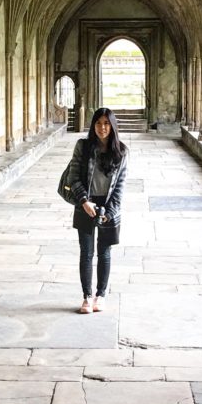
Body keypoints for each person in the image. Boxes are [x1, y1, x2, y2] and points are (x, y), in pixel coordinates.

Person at [67, 107, 129, 313]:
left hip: (108, 207)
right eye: (98, 123)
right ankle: (86, 296)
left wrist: (108, 213)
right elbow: (73, 177)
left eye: (106, 124)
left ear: (112, 126)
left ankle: (100, 296)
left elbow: (119, 187)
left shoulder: (121, 151)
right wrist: (84, 201)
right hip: (85, 202)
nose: (102, 128)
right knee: (86, 252)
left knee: (104, 253)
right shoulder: (83, 146)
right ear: (93, 125)